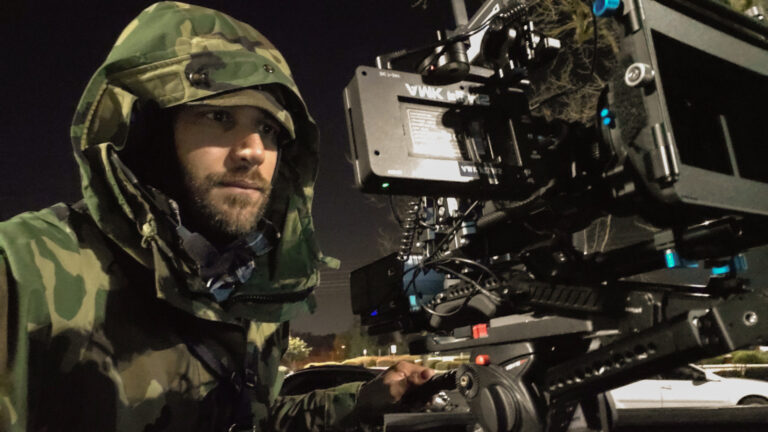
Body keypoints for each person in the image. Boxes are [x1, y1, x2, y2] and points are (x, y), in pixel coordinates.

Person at [0, 2, 433, 431]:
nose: (254, 151)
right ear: (150, 134)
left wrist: (365, 400)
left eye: (269, 129)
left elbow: (255, 419)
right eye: (219, 115)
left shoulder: (253, 291)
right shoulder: (24, 271)